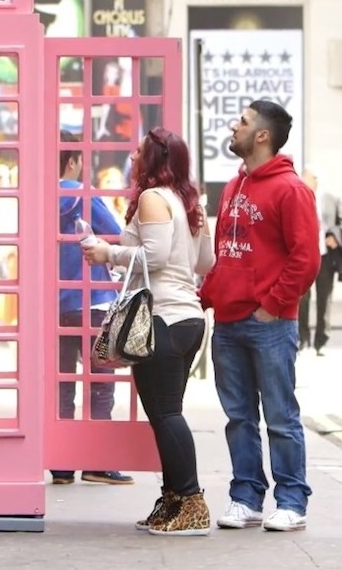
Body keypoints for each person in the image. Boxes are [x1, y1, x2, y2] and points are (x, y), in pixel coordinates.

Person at [83, 127, 214, 535]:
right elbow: (205, 262)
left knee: (166, 414)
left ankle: (191, 503)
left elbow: (153, 257)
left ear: (154, 160)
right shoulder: (188, 202)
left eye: (138, 152)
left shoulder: (155, 198)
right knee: (165, 414)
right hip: (187, 318)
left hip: (164, 318)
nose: (132, 157)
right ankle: (174, 501)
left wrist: (108, 252)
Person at [199, 100, 320, 532]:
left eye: (244, 122)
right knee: (239, 418)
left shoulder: (290, 189)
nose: (235, 126)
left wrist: (272, 306)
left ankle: (292, 500)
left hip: (269, 324)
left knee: (282, 417)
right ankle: (246, 497)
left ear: (262, 136)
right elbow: (224, 257)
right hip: (228, 324)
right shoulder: (233, 188)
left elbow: (306, 260)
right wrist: (206, 298)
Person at [51, 131, 134, 486]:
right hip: (92, 299)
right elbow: (115, 234)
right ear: (72, 161)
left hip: (53, 302)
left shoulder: (37, 195)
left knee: (61, 386)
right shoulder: (82, 194)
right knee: (100, 382)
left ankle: (61, 463)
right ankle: (97, 461)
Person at [298, 166, 342, 355]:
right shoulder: (297, 199)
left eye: (312, 178)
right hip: (304, 256)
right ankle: (303, 339)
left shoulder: (330, 199)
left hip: (325, 256)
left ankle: (321, 341)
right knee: (302, 298)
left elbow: (339, 223)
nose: (309, 182)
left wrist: (336, 237)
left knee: (324, 298)